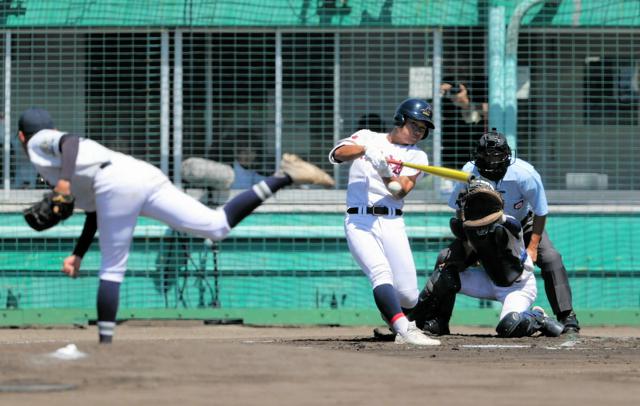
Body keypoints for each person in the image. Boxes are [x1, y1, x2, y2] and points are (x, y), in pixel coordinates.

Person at [17, 106, 335, 344]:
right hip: (141, 175)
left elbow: (69, 142)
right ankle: (285, 176)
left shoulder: (37, 142)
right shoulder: (74, 168)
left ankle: (105, 348)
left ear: (21, 136)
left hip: (115, 182)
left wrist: (63, 185)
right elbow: (95, 212)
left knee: (112, 269)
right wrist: (79, 253)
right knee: (216, 226)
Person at [415, 129, 580, 335]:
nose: (492, 160)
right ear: (477, 155)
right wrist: (470, 243)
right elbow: (459, 210)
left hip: (522, 224)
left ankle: (567, 318)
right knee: (445, 259)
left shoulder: (525, 174)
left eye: (497, 155)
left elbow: (540, 211)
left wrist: (533, 247)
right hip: (482, 229)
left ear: (507, 155)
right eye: (487, 155)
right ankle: (438, 320)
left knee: (551, 258)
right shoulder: (469, 171)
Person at [328, 98, 440, 346]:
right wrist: (365, 150)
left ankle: (394, 313)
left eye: (422, 129)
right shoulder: (367, 136)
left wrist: (386, 171)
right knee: (380, 272)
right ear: (400, 120)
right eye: (414, 125)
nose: (418, 132)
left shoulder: (418, 156)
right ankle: (404, 328)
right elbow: (336, 154)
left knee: (409, 296)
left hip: (392, 222)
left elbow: (401, 191)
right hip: (360, 220)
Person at [410, 178, 564, 338]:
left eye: (483, 202)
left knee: (508, 326)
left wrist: (494, 216)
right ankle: (427, 322)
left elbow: (511, 225)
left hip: (518, 287)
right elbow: (463, 253)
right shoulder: (465, 226)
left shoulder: (508, 223)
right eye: (475, 203)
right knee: (445, 275)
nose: (479, 206)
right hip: (488, 280)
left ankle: (538, 317)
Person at [440, 78, 488, 170]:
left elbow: (492, 111)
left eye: (460, 90)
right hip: (450, 162)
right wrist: (439, 91)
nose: (456, 93)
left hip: (476, 163)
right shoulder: (446, 106)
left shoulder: (478, 102)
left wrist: (466, 103)